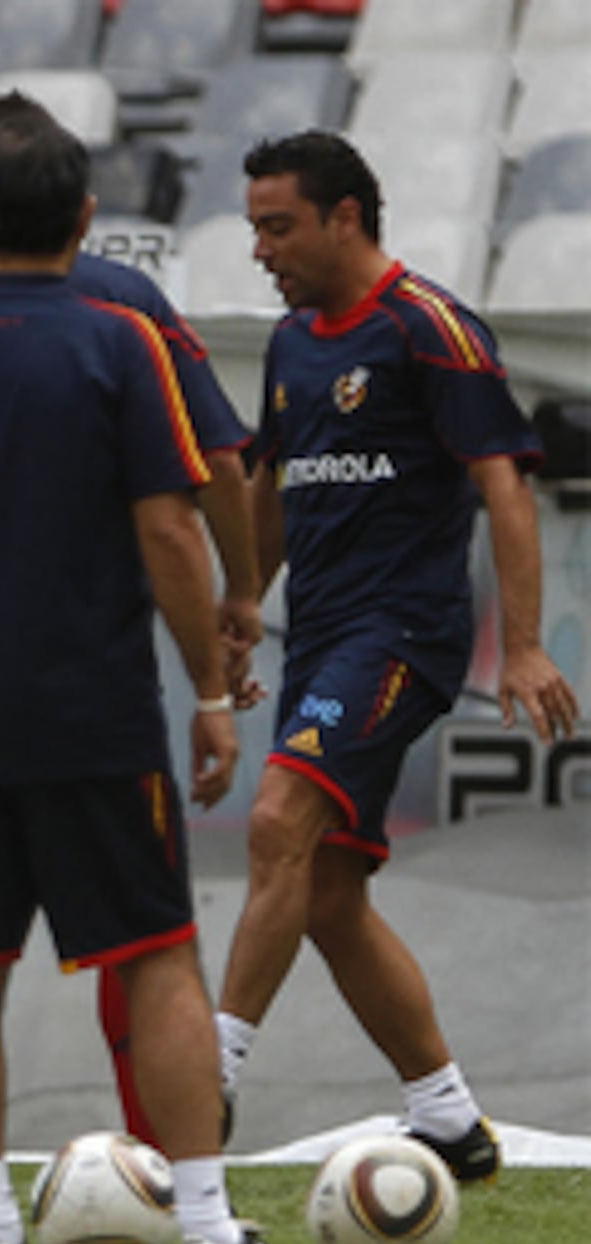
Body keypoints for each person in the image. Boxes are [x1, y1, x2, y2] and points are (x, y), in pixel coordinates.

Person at [0, 95, 304, 1244]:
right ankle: (205, 1229)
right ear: (88, 215)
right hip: (93, 710)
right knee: (155, 958)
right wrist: (209, 684)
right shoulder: (118, 341)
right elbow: (166, 527)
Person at [214, 131, 580, 1177]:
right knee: (325, 893)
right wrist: (240, 600)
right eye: (251, 228)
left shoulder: (431, 329)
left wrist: (518, 646)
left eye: (276, 226)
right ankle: (451, 1120)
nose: (259, 248)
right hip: (323, 638)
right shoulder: (292, 344)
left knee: (281, 813)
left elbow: (503, 480)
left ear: (344, 217)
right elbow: (273, 485)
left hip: (402, 635)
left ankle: (209, 1069)